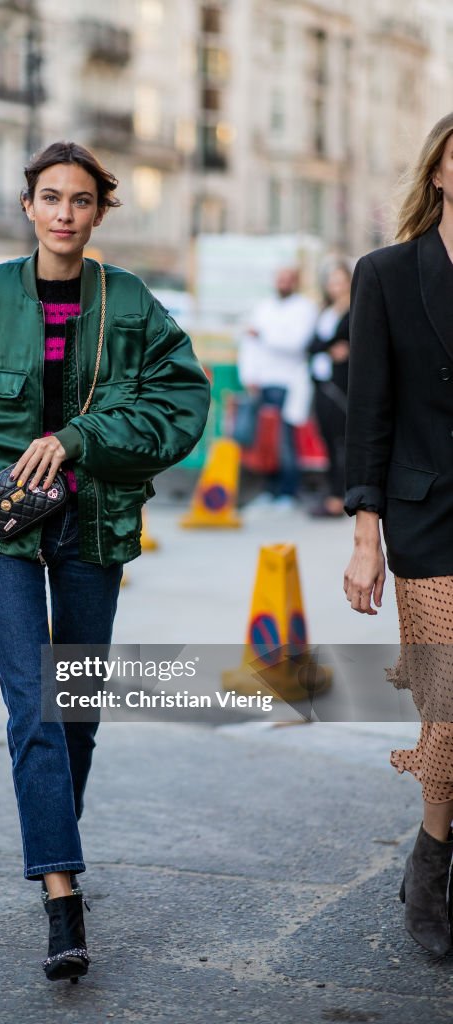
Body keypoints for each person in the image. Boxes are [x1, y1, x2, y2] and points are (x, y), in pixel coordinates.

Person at [0, 141, 210, 983]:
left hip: (94, 526)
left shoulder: (132, 304)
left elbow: (183, 404)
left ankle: (54, 843)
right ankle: (61, 898)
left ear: (99, 211)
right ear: (28, 206)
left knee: (74, 707)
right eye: (50, 198)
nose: (65, 214)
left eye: (81, 200)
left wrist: (80, 437)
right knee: (33, 707)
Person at [343, 111, 453, 957]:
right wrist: (363, 533)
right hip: (428, 519)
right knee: (447, 706)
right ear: (438, 171)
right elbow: (368, 414)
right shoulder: (384, 274)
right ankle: (429, 865)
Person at [239, 267, 317, 509]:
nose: (283, 283)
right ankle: (269, 490)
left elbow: (296, 343)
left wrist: (264, 334)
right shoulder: (264, 306)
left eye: (287, 279)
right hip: (263, 381)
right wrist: (249, 376)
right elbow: (249, 343)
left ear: (295, 281)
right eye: (279, 278)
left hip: (289, 382)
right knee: (265, 441)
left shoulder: (304, 308)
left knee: (285, 441)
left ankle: (287, 492)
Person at [306, 261, 352, 517]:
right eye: (332, 281)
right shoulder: (325, 311)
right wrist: (329, 347)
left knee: (342, 442)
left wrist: (328, 346)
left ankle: (339, 496)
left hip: (340, 386)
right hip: (322, 384)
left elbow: (350, 345)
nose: (336, 286)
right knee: (327, 441)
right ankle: (333, 493)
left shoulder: (355, 308)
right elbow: (312, 345)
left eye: (340, 280)